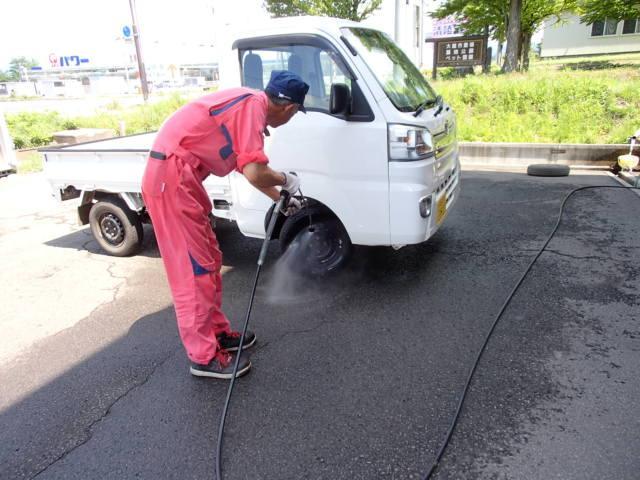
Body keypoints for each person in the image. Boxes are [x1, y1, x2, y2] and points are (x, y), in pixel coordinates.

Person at [141, 70, 309, 379]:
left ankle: (216, 334)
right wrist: (287, 180)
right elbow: (257, 171)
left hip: (182, 180)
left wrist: (280, 197)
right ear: (289, 108)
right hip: (172, 181)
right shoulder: (252, 109)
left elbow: (249, 168)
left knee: (208, 261)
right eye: (296, 114)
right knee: (193, 271)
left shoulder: (249, 104)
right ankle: (203, 357)